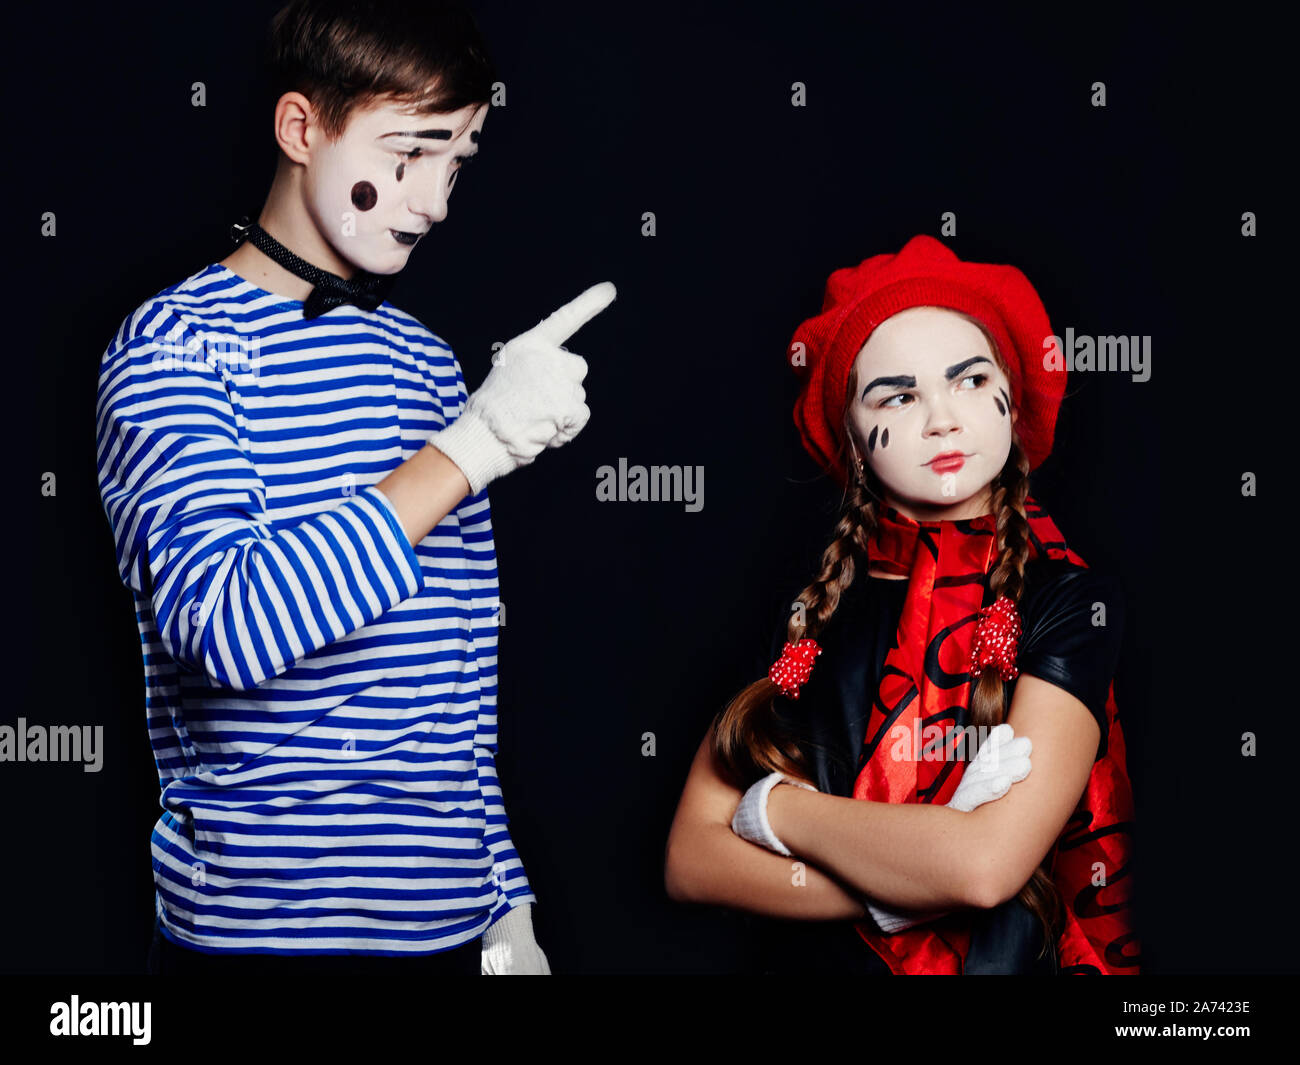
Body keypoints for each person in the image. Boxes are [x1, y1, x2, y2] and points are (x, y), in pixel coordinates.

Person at [96, 0, 615, 975]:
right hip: (261, 938)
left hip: (447, 930)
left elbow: (454, 679)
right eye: (409, 153)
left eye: (456, 161)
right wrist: (472, 446)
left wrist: (504, 902)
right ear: (301, 128)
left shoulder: (425, 362)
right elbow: (229, 628)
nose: (435, 202)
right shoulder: (175, 346)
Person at [664, 234, 1139, 975]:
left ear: (1013, 402)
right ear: (854, 440)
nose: (942, 418)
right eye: (899, 395)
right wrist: (905, 887)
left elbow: (983, 867)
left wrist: (776, 810)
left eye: (970, 380)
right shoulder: (811, 613)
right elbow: (692, 859)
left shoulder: (1070, 602)